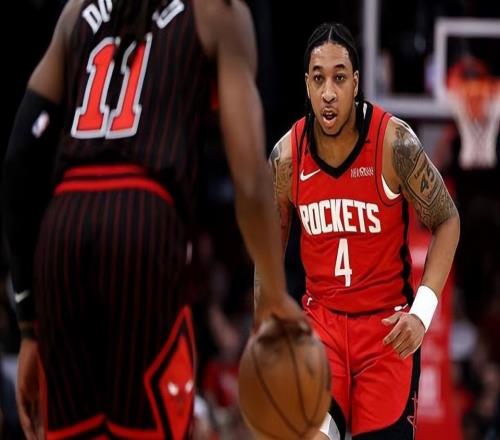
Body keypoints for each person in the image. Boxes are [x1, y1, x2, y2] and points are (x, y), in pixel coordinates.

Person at [3, 0, 304, 438]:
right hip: (144, 221)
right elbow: (250, 177)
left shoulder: (76, 12)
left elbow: (19, 159)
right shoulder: (217, 12)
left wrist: (30, 326)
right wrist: (273, 293)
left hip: (64, 227)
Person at [256, 23, 460, 439]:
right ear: (307, 85)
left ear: (356, 83)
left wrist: (422, 314)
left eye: (339, 78)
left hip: (385, 334)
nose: (328, 92)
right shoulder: (286, 157)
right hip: (322, 329)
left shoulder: (394, 143)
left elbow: (447, 220)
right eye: (318, 79)